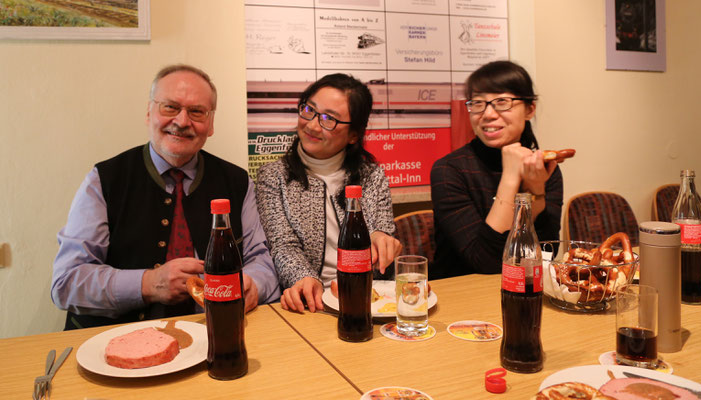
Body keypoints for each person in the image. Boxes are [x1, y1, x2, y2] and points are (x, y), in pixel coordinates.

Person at [52, 64, 280, 330]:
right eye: (170, 107)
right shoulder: (104, 180)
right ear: (149, 113)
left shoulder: (238, 182)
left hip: (216, 335)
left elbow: (262, 261)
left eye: (197, 111)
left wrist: (253, 284)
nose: (182, 121)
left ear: (211, 124)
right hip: (119, 342)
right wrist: (148, 284)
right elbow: (67, 282)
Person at [256, 73, 402, 313]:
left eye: (328, 119)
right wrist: (304, 277)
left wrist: (381, 240)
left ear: (354, 135)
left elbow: (382, 230)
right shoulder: (274, 177)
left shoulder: (372, 175)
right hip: (310, 302)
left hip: (370, 298)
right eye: (309, 110)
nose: (312, 125)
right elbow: (283, 244)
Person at [430, 60, 563, 279]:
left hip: (522, 290)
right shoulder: (448, 170)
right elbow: (486, 261)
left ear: (529, 109)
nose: (488, 114)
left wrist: (535, 190)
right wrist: (510, 178)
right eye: (478, 103)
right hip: (461, 297)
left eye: (502, 102)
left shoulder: (544, 168)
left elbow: (547, 253)